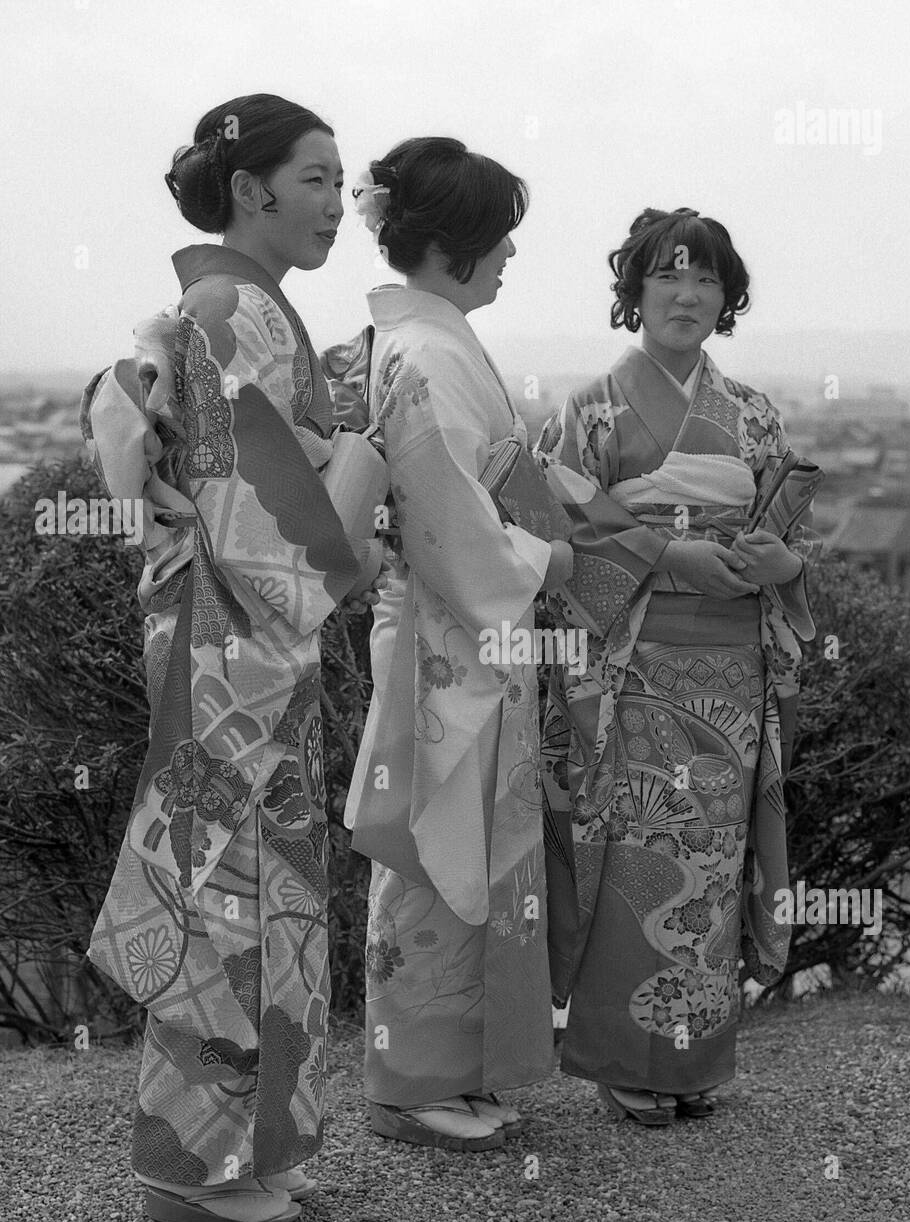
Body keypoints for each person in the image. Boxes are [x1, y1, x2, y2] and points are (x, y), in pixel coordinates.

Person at [84, 94, 382, 1222]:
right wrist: (355, 468)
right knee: (219, 890)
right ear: (250, 189)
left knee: (271, 885)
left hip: (247, 632)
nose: (334, 207)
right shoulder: (230, 310)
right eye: (314, 180)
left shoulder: (244, 308)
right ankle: (184, 1171)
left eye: (338, 182)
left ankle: (251, 1147)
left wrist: (334, 470)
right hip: (230, 629)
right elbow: (252, 512)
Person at [537, 207, 822, 1124]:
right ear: (636, 291)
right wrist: (666, 558)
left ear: (727, 297)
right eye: (667, 275)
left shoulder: (753, 416)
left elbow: (791, 533)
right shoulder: (590, 411)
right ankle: (630, 1056)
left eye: (706, 280)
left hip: (732, 667)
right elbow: (560, 535)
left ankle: (695, 1057)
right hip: (636, 668)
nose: (688, 294)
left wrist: (786, 565)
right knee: (640, 855)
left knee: (709, 862)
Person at [345, 137, 574, 1149]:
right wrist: (541, 560)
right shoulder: (430, 352)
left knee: (465, 839)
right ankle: (410, 1079)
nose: (512, 256)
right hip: (452, 624)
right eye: (502, 238)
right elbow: (444, 515)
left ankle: (456, 1063)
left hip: (462, 628)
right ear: (459, 242)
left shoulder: (424, 339)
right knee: (435, 842)